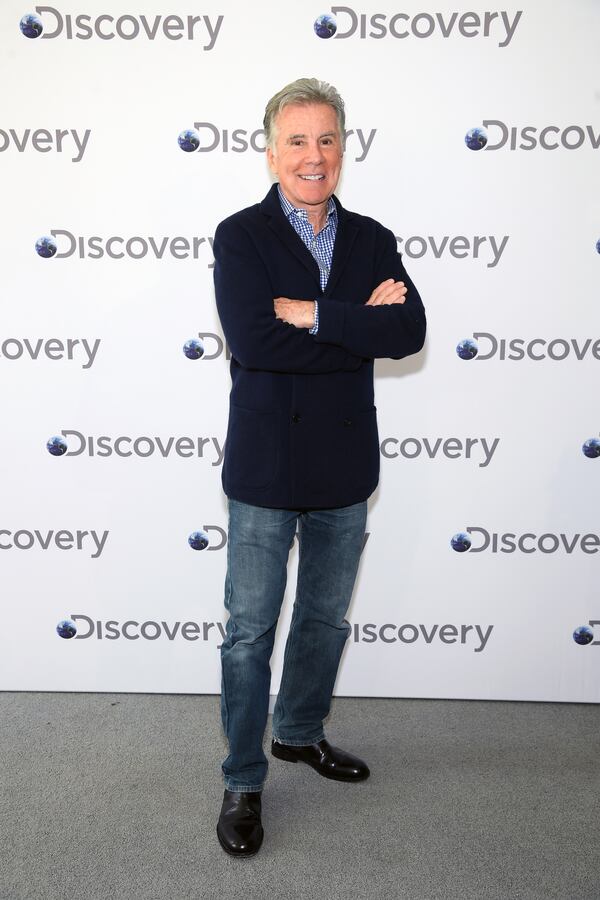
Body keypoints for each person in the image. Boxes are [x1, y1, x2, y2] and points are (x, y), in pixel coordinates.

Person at [213, 77, 426, 857]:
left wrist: (313, 314)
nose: (314, 156)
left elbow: (407, 332)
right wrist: (355, 325)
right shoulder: (239, 236)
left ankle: (298, 732)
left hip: (343, 466)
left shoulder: (371, 235)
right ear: (272, 152)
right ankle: (242, 777)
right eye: (297, 141)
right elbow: (255, 342)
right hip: (266, 471)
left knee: (324, 621)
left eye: (327, 139)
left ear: (344, 148)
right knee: (249, 633)